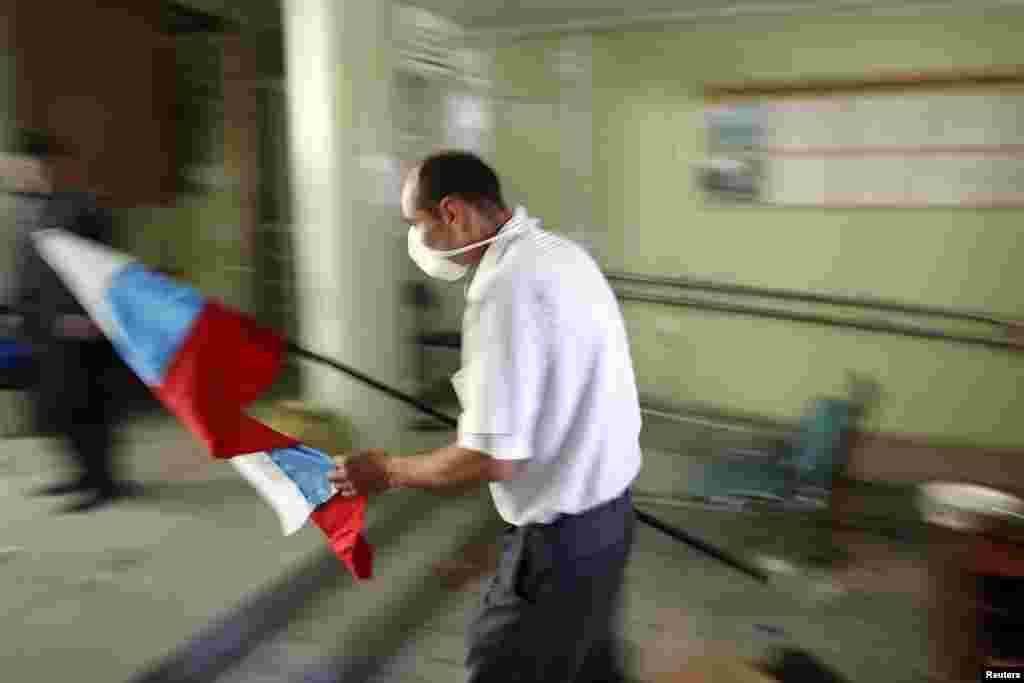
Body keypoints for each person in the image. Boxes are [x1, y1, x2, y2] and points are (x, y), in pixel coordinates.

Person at [328, 151, 644, 682]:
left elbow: (494, 458)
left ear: (450, 212)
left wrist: (388, 470)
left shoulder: (503, 290)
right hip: (608, 523)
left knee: (500, 668)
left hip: (560, 546)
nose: (416, 241)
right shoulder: (559, 253)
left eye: (416, 223)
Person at [7, 130, 128, 512]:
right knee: (56, 406)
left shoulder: (81, 208)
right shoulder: (34, 208)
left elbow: (101, 265)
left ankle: (101, 481)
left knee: (84, 404)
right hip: (42, 326)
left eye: (19, 164)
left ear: (45, 165)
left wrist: (87, 315)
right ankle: (81, 475)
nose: (11, 172)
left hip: (76, 325)